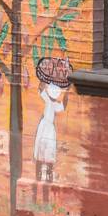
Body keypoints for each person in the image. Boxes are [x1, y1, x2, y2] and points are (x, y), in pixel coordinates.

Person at [32, 57, 72, 186]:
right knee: (43, 149)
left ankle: (46, 174)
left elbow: (63, 105)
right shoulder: (50, 101)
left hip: (47, 127)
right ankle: (41, 174)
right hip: (45, 127)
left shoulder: (52, 103)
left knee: (47, 150)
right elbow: (41, 89)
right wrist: (46, 79)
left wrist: (67, 92)